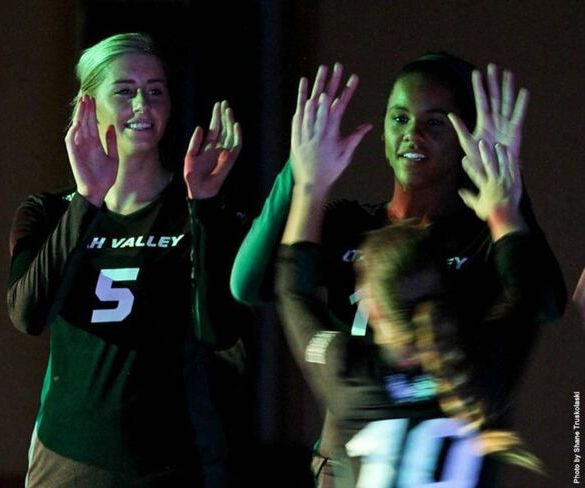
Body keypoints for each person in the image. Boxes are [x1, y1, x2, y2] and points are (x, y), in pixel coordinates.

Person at [230, 54, 567, 485]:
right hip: (344, 463)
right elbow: (247, 284)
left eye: (435, 123)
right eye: (400, 118)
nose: (413, 134)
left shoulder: (477, 238)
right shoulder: (348, 224)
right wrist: (297, 170)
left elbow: (545, 301)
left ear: (467, 138)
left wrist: (505, 188)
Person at [7, 32, 247, 487]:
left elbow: (220, 330)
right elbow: (28, 315)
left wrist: (206, 208)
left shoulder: (199, 205)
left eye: (155, 91)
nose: (142, 103)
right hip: (69, 456)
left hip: (174, 458)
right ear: (87, 104)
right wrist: (87, 200)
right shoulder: (48, 211)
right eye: (124, 91)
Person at [276, 220, 545, 487]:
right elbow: (527, 294)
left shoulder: (348, 370)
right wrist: (504, 212)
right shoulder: (486, 365)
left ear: (373, 308)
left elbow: (293, 293)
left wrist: (309, 187)